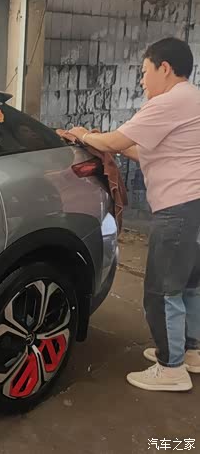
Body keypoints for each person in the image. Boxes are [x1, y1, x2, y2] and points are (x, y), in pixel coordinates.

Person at [67, 37, 200, 392]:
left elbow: (114, 141)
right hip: (195, 207)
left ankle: (170, 368)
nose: (142, 81)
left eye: (144, 72)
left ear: (164, 68)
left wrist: (84, 135)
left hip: (178, 209)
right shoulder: (193, 99)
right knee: (189, 285)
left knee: (162, 291)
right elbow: (146, 151)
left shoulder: (167, 103)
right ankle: (190, 351)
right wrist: (112, 146)